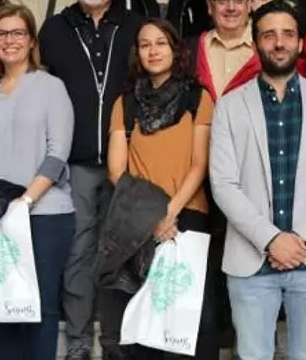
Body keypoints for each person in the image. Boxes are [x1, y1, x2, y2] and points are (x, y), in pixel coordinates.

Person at [209, 0, 306, 360]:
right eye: (269, 35)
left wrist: (300, 240)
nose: (279, 42)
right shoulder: (229, 105)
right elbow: (223, 184)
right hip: (250, 261)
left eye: (288, 34)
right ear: (256, 42)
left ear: (301, 43)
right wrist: (271, 239)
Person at [39, 0, 144, 360]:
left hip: (128, 163)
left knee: (122, 253)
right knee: (79, 252)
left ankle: (118, 341)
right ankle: (80, 341)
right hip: (75, 163)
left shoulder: (136, 26)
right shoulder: (54, 29)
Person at [0, 4, 75, 360]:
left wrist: (24, 202)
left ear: (32, 40)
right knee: (1, 306)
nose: (10, 40)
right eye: (1, 33)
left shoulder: (52, 87)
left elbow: (57, 153)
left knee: (40, 308)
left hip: (44, 214)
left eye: (18, 33)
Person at [101, 18, 218, 359]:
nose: (153, 51)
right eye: (145, 44)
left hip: (188, 216)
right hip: (138, 221)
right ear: (137, 53)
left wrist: (169, 213)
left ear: (175, 50)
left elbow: (200, 164)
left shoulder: (198, 97)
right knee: (144, 319)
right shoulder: (126, 103)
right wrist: (152, 216)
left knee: (191, 321)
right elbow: (116, 170)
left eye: (161, 43)